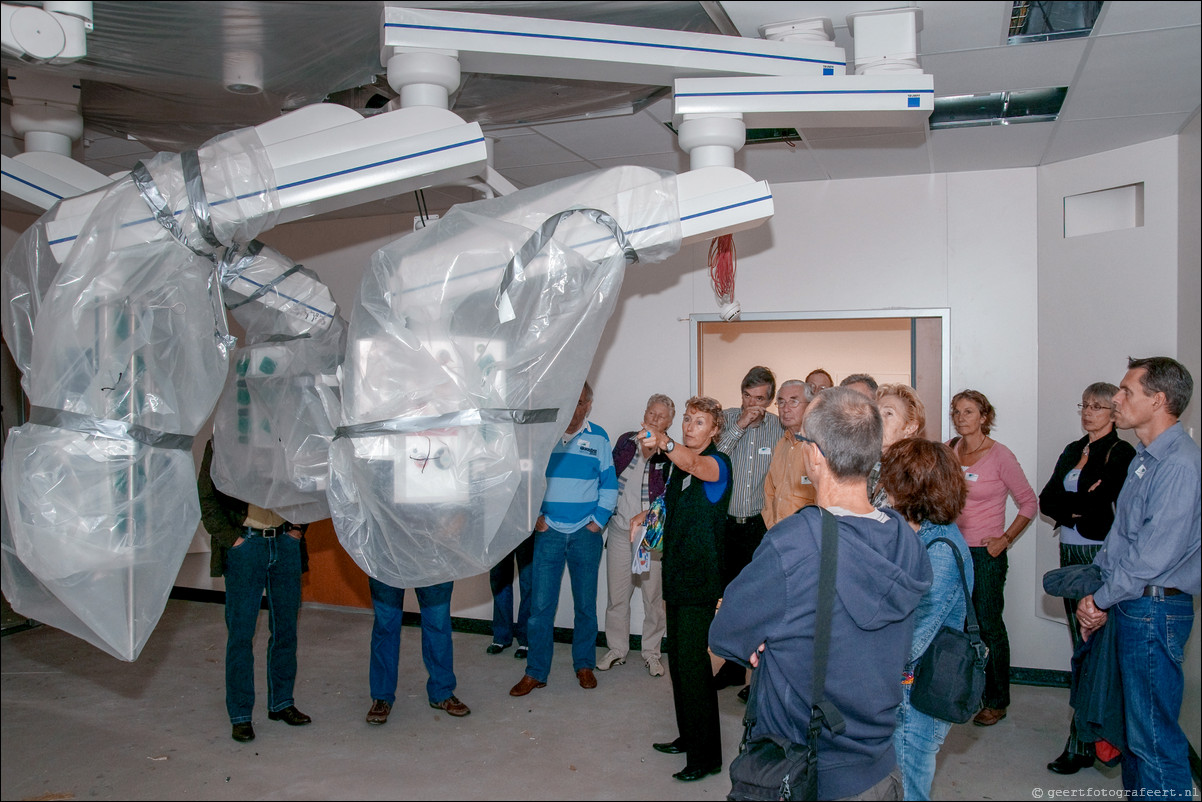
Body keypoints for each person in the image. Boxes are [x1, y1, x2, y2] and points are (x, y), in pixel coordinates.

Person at [710, 387, 932, 800]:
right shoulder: (905, 537)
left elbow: (726, 635)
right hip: (879, 769)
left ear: (814, 454)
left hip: (807, 771)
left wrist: (764, 633)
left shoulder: (795, 542)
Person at [1076, 357, 1199, 799]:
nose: (1116, 399)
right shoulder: (1146, 459)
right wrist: (1098, 594)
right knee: (1133, 734)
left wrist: (1102, 599)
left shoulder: (1180, 465)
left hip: (1154, 608)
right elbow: (1120, 538)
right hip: (1134, 603)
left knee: (1153, 738)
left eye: (1127, 391)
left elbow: (1153, 554)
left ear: (1159, 400)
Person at [1038, 381, 1135, 775]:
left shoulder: (1122, 451)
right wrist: (1081, 505)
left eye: (1097, 406)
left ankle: (1086, 740)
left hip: (1098, 554)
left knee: (1094, 645)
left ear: (1114, 412)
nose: (1088, 412)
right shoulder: (1072, 449)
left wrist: (1075, 506)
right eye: (1085, 405)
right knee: (1079, 643)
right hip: (1070, 552)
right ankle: (1084, 737)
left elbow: (1104, 500)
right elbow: (1047, 500)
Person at [638, 396, 732, 782]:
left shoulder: (717, 463)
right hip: (676, 575)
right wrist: (641, 516)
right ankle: (688, 736)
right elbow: (668, 508)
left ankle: (706, 756)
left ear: (714, 431)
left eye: (699, 422)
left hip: (700, 581)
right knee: (678, 661)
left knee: (694, 668)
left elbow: (695, 463)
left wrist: (663, 441)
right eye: (688, 420)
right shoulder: (678, 469)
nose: (690, 426)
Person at [198, 439, 311, 743]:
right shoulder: (222, 440)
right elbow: (206, 499)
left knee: (286, 630)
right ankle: (240, 714)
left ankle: (281, 702)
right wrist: (233, 541)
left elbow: (307, 485)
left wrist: (298, 529)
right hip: (246, 545)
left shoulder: (287, 434)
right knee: (241, 634)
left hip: (285, 543)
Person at [879, 438, 972, 801]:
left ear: (910, 487)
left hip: (917, 692)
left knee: (909, 789)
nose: (882, 487)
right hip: (900, 686)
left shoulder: (942, 549)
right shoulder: (913, 535)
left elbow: (914, 638)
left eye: (889, 479)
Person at [510, 382, 618, 696]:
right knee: (540, 607)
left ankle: (584, 664)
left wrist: (597, 522)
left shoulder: (599, 437)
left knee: (586, 606)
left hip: (586, 533)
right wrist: (535, 518)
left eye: (581, 402)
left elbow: (608, 485)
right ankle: (535, 672)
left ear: (589, 404)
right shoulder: (545, 435)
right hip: (549, 534)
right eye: (571, 401)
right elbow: (526, 478)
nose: (575, 409)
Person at [948, 389, 1038, 727]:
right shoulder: (949, 449)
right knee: (954, 624)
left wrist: (1005, 540)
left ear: (984, 416)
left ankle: (997, 700)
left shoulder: (1000, 456)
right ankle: (961, 690)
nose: (961, 417)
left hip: (985, 555)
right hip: (951, 551)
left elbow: (1029, 503)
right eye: (956, 411)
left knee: (988, 626)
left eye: (969, 411)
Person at [596, 394, 674, 677]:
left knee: (653, 598)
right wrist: (638, 443)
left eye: (660, 416)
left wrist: (656, 447)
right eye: (650, 413)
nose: (654, 419)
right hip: (618, 529)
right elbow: (608, 474)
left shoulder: (670, 453)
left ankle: (652, 652)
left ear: (669, 423)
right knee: (617, 595)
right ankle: (617, 649)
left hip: (650, 534)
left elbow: (669, 494)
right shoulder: (626, 441)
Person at [715, 365, 783, 690]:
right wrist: (740, 425)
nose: (752, 404)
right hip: (723, 524)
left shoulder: (778, 428)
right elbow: (714, 460)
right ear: (741, 394)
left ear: (769, 401)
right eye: (747, 396)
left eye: (760, 398)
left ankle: (752, 674)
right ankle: (728, 667)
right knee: (726, 598)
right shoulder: (726, 418)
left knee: (753, 601)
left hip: (757, 525)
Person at [365, 579, 470, 724]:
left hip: (431, 559)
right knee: (385, 624)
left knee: (438, 621)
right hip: (387, 558)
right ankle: (382, 696)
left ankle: (441, 691)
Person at [761, 379, 817, 528]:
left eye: (793, 402)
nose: (785, 409)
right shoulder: (781, 444)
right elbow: (769, 491)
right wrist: (771, 527)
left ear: (810, 406)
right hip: (777, 532)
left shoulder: (819, 447)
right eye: (781, 402)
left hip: (807, 535)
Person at [870, 383, 927, 506]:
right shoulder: (873, 466)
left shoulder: (915, 474)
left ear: (910, 427)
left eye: (888, 413)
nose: (877, 420)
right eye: (876, 413)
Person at [487, 534, 533, 659]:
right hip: (498, 528)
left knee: (529, 582)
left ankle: (526, 639)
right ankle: (501, 636)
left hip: (527, 525)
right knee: (499, 581)